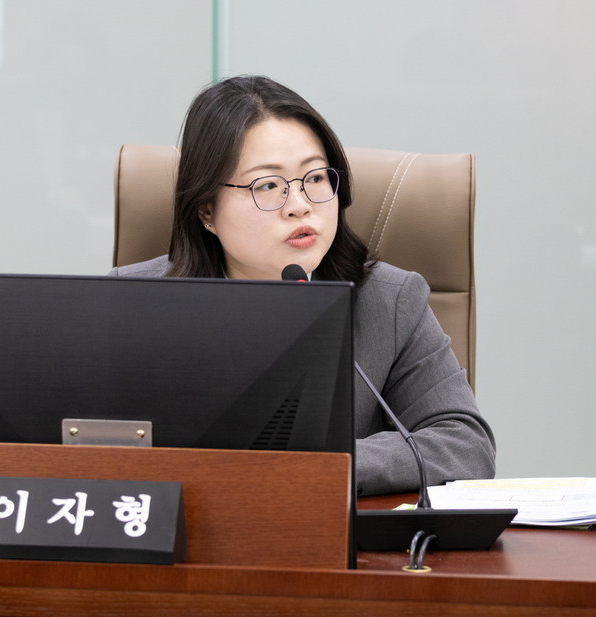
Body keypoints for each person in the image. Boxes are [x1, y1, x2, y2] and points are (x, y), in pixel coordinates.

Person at [108, 75, 496, 496]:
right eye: (267, 185)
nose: (299, 205)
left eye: (314, 178)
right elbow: (83, 445)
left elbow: (464, 444)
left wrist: (321, 466)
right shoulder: (129, 303)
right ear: (206, 210)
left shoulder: (389, 301)